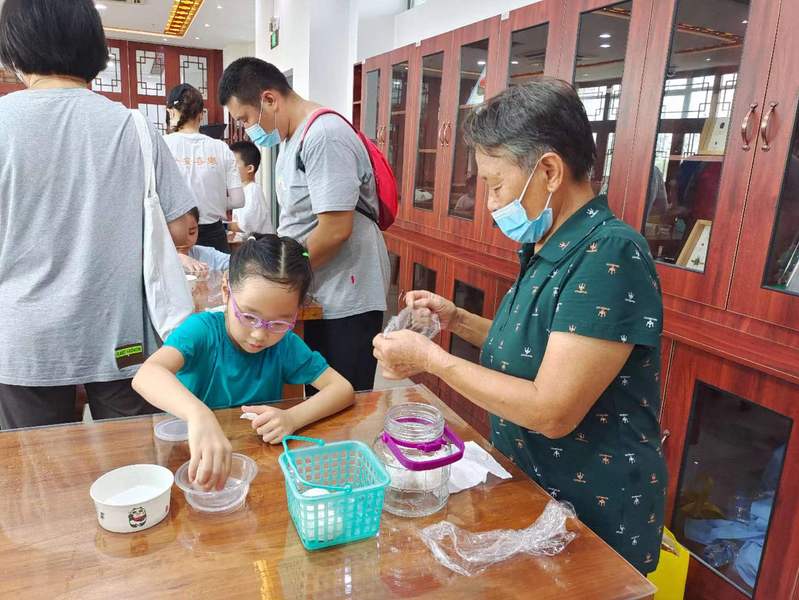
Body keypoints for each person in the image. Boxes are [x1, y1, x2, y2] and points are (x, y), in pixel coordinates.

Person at [372, 79, 667, 574]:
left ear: (548, 171)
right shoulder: (551, 244)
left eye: (496, 184)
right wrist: (457, 318)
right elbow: (533, 347)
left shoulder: (607, 255)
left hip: (591, 508)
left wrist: (431, 360)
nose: (489, 203)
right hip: (536, 487)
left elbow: (551, 410)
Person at [0, 0, 197, 429]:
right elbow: (180, 229)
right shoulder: (135, 128)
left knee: (38, 465)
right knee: (133, 455)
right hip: (121, 338)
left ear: (13, 48)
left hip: (23, 345)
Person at [219, 58, 390, 393]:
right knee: (315, 393)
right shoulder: (291, 140)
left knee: (342, 397)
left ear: (269, 99)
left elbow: (336, 230)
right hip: (318, 291)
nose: (248, 129)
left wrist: (282, 276)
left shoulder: (324, 136)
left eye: (246, 119)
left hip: (345, 296)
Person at [133, 235, 355, 490]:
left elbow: (342, 389)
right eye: (249, 317)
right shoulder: (202, 331)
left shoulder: (284, 344)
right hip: (192, 457)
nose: (260, 334)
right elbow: (147, 374)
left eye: (279, 323)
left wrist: (292, 418)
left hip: (256, 461)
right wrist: (198, 414)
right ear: (226, 292)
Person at [164, 83, 244, 253]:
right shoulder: (221, 148)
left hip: (175, 236)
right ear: (201, 115)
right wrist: (213, 201)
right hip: (214, 236)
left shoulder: (162, 145)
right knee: (218, 271)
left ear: (171, 112)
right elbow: (238, 200)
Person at [229, 140, 274, 237]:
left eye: (233, 164)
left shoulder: (253, 191)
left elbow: (245, 227)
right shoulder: (243, 191)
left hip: (261, 245)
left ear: (249, 168)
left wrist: (221, 226)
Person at [169, 207, 230, 275]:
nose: (187, 240)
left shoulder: (205, 254)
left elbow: (235, 263)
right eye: (177, 234)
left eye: (192, 232)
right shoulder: (161, 262)